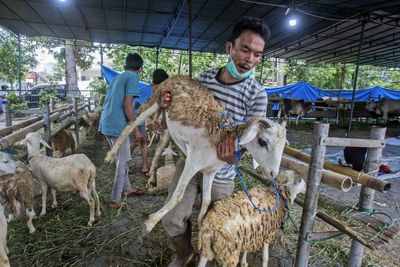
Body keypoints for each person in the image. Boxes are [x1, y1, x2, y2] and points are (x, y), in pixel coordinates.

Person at [160, 16, 270, 266]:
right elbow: (184, 111)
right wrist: (167, 103)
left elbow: (250, 141)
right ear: (229, 47)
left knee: (216, 226)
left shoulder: (257, 95)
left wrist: (235, 156)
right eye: (245, 50)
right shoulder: (205, 79)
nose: (250, 60)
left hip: (222, 172)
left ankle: (206, 259)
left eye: (257, 54)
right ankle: (185, 253)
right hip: (189, 161)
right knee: (173, 218)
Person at [99, 53, 146, 209]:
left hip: (106, 123)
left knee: (123, 158)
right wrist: (136, 129)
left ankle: (127, 189)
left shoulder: (116, 78)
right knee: (123, 161)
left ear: (125, 66)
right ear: (140, 69)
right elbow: (127, 105)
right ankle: (114, 199)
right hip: (118, 125)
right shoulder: (133, 77)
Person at [130, 69, 169, 175]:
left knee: (144, 142)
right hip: (133, 120)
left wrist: (155, 121)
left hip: (141, 120)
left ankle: (145, 167)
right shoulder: (147, 90)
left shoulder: (154, 92)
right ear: (162, 82)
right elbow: (134, 106)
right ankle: (124, 164)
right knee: (135, 142)